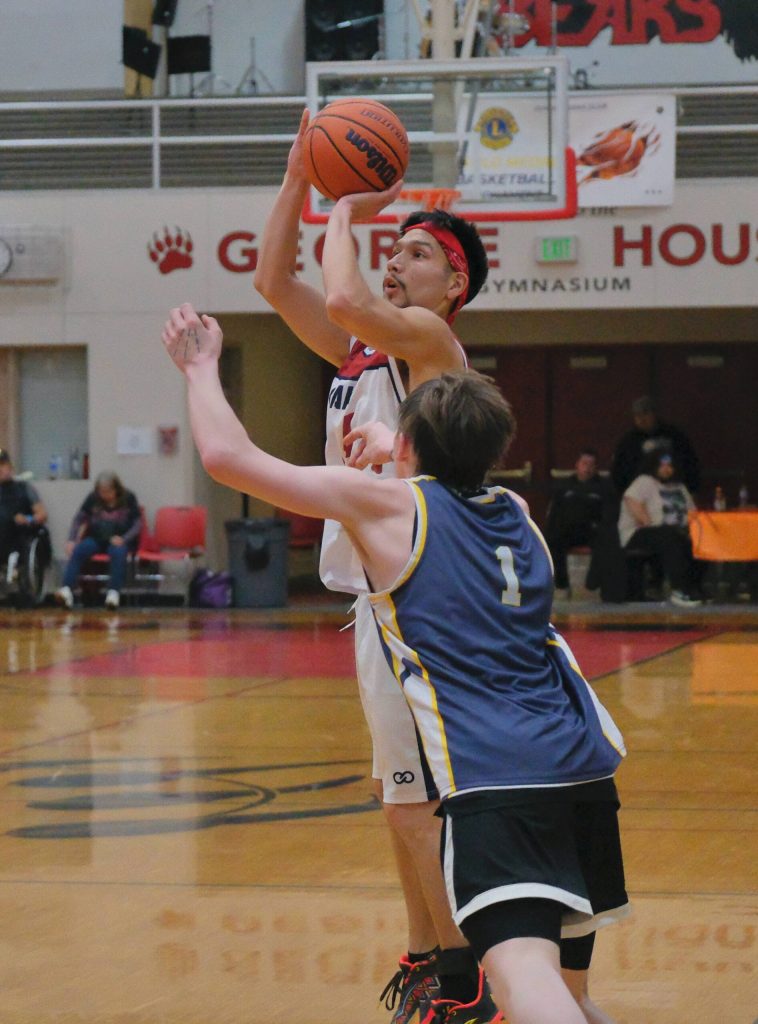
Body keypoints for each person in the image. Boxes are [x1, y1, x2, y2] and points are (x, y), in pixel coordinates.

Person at [162, 304, 629, 1024]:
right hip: (584, 766)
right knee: (572, 995)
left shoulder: (386, 507)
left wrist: (200, 369)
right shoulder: (517, 512)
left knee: (521, 977)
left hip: (499, 774)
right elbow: (448, 469)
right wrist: (399, 441)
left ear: (409, 446)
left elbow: (230, 459)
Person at [254, 111, 494, 1019]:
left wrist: (347, 204)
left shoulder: (434, 350)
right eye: (393, 247)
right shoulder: (362, 352)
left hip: (425, 599)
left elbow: (350, 299)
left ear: (455, 282)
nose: (396, 260)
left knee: (413, 801)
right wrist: (294, 180)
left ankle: (465, 977)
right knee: (397, 799)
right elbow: (275, 281)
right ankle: (432, 953)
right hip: (375, 598)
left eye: (418, 254)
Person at [617, 450, 702, 607]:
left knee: (699, 540)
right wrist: (648, 521)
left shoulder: (679, 486)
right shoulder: (644, 481)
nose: (666, 469)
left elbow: (692, 513)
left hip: (674, 532)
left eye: (669, 466)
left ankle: (696, 588)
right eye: (662, 465)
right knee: (669, 536)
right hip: (639, 532)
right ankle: (678, 590)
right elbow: (631, 500)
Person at [55, 471, 141, 610]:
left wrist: (124, 539)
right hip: (97, 538)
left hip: (119, 540)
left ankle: (113, 594)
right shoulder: (92, 498)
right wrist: (71, 539)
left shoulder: (129, 498)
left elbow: (137, 524)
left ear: (116, 489)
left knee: (118, 553)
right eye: (102, 492)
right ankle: (67, 590)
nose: (104, 495)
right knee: (79, 550)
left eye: (108, 492)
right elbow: (79, 519)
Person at [544, 450, 614, 597]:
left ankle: (592, 584)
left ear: (596, 467)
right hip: (568, 530)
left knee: (606, 540)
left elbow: (609, 514)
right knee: (553, 539)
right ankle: (561, 585)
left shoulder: (605, 487)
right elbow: (555, 514)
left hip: (592, 530)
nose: (587, 468)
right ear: (577, 465)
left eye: (591, 465)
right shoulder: (564, 487)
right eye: (584, 463)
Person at [611, 395, 700, 496]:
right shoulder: (628, 441)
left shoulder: (674, 435)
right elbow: (618, 470)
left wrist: (692, 488)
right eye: (637, 415)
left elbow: (689, 462)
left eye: (645, 414)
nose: (641, 419)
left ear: (654, 414)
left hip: (672, 490)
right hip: (640, 494)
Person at [0, 447, 48, 587]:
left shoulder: (24, 488)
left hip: (18, 533)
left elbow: (42, 514)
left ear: (10, 467)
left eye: (4, 465)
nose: (2, 470)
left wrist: (28, 519)